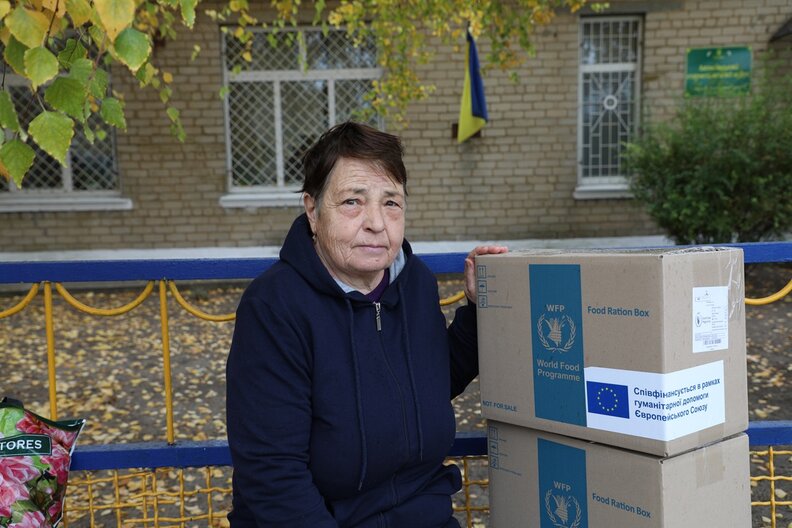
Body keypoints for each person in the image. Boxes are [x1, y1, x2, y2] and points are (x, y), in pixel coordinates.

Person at [226, 121, 507, 527]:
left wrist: (478, 310)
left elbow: (428, 383)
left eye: (391, 202)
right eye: (353, 202)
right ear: (312, 211)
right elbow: (273, 480)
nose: (376, 222)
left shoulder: (415, 284)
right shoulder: (275, 307)